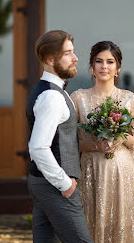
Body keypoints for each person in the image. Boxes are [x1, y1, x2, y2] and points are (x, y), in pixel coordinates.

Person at [71, 41, 134, 243]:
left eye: (110, 62)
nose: (104, 66)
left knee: (121, 230)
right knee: (91, 227)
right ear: (92, 66)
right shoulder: (78, 98)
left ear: (118, 68)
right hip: (91, 172)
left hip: (123, 175)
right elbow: (71, 143)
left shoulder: (129, 99)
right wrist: (95, 145)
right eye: (99, 61)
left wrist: (121, 136)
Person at [26, 30, 94, 243]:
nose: (75, 58)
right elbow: (38, 147)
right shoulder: (51, 97)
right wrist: (65, 184)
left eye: (73, 52)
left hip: (43, 183)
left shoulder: (55, 91)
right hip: (54, 186)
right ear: (50, 59)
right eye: (68, 53)